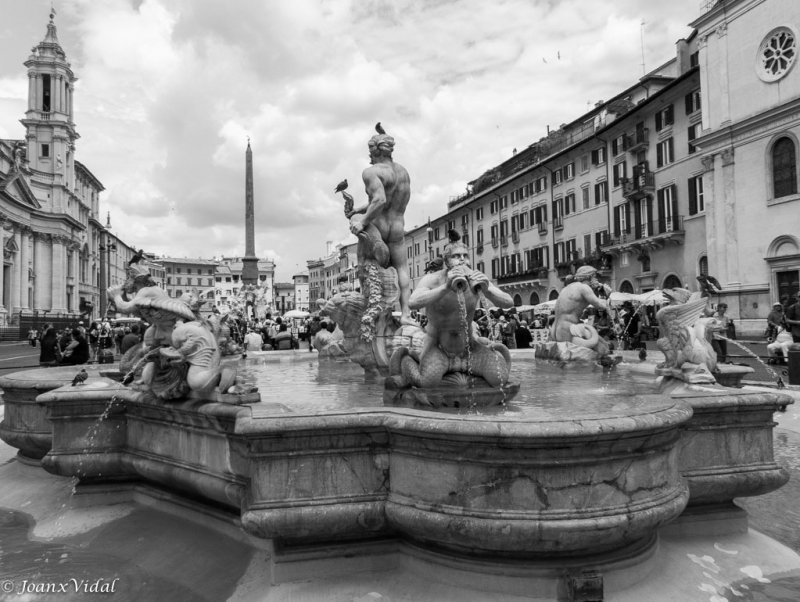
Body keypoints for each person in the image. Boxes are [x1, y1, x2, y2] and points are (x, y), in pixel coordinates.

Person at [404, 238, 514, 388]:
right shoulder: (432, 280)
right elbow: (412, 302)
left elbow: (508, 302)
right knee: (428, 382)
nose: (462, 259)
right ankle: (408, 359)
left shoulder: (476, 279)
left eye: (465, 255)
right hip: (439, 347)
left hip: (468, 347)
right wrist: (445, 287)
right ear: (446, 261)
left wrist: (487, 290)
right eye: (456, 256)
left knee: (498, 378)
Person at [346, 132, 414, 325]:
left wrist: (361, 220)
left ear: (373, 151)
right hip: (398, 226)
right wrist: (358, 208)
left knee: (363, 265)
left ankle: (372, 310)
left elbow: (380, 200)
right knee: (402, 268)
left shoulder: (371, 172)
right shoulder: (403, 172)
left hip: (379, 225)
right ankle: (406, 315)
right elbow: (387, 200)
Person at [550, 266, 608, 347]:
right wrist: (606, 294)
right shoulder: (584, 288)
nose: (597, 280)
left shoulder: (567, 288)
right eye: (595, 277)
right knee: (602, 347)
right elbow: (601, 306)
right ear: (589, 277)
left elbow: (582, 303)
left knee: (601, 342)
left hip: (555, 330)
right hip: (569, 330)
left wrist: (597, 290)